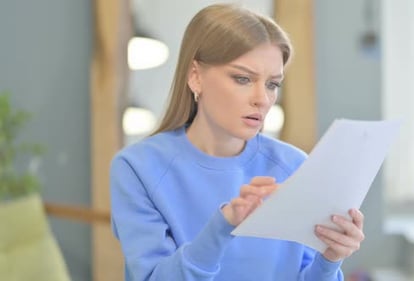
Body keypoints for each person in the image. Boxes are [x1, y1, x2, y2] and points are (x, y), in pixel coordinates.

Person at [110, 3, 365, 281]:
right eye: (243, 78)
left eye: (272, 84)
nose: (262, 99)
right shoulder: (137, 168)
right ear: (195, 77)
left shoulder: (295, 166)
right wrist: (222, 227)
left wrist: (330, 259)